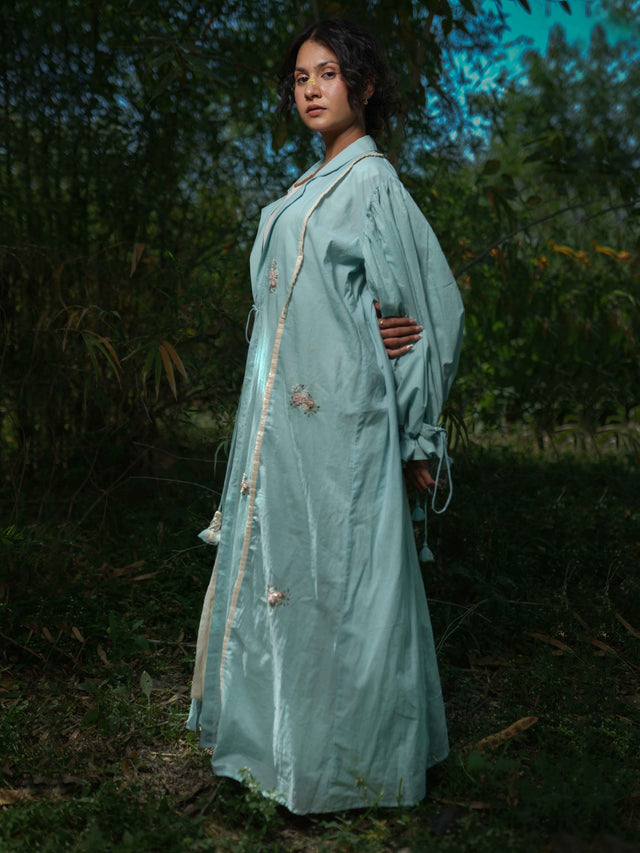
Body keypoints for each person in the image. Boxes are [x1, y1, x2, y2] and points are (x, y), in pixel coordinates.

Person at [188, 18, 464, 815]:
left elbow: (431, 313)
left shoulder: (373, 183)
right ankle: (279, 750)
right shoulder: (308, 186)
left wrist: (415, 430)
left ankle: (354, 769)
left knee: (344, 582)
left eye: (328, 74)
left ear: (364, 87)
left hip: (345, 423)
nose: (311, 89)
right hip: (282, 429)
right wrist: (354, 317)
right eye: (301, 77)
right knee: (290, 578)